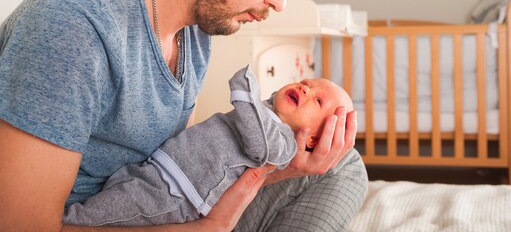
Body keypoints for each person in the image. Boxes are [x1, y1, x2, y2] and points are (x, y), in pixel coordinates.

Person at [0, 0, 367, 232]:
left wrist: (274, 171)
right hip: (100, 219)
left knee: (339, 159)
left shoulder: (195, 30)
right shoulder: (74, 24)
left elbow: (176, 162)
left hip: (159, 206)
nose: (279, 1)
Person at [64, 65, 354, 226]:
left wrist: (245, 91)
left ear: (315, 139)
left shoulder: (281, 144)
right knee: (116, 192)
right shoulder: (267, 112)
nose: (307, 88)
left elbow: (257, 139)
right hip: (161, 169)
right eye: (307, 82)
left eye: (318, 101)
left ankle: (68, 223)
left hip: (176, 194)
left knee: (112, 213)